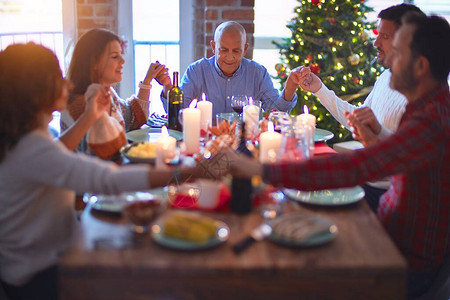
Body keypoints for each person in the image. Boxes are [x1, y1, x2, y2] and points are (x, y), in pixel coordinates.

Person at [228, 13, 449, 299]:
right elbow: (395, 163)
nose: (388, 60)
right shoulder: (423, 107)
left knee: (297, 275)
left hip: (404, 265)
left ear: (420, 66)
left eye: (399, 53)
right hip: (385, 234)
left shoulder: (431, 121)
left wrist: (258, 168)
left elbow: (357, 167)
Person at [0, 43, 206, 300]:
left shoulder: (24, 137)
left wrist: (90, 116)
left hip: (36, 262)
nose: (66, 82)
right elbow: (106, 178)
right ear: (35, 89)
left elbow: (59, 151)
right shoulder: (32, 148)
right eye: (56, 76)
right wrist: (190, 167)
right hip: (40, 276)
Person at [298, 4, 425, 213]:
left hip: (385, 196)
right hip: (364, 183)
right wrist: (320, 90)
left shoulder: (422, 98)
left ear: (406, 41)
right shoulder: (386, 77)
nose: (375, 42)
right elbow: (355, 120)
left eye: (384, 36)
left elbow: (403, 161)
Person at [60, 28, 167, 160]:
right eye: (115, 56)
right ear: (94, 63)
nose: (123, 61)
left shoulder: (106, 93)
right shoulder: (82, 106)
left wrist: (148, 80)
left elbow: (134, 117)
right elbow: (100, 160)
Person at [157, 21, 302, 117]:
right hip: (207, 143)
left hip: (246, 146)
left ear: (245, 49)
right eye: (224, 50)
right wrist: (168, 86)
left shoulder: (257, 73)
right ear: (213, 47)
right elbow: (178, 113)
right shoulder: (196, 71)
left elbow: (275, 113)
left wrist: (290, 87)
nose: (230, 57)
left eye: (236, 51)